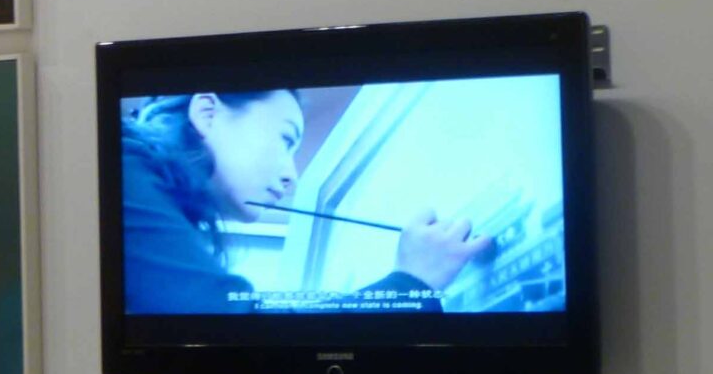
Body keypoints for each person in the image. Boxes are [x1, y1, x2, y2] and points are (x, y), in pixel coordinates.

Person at [121, 92, 491, 313]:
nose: (291, 176)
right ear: (207, 112)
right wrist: (412, 282)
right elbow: (231, 329)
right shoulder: (124, 164)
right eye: (286, 139)